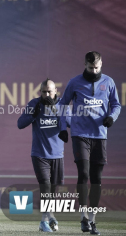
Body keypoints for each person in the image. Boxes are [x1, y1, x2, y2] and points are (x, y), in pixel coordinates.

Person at [59, 51, 121, 235]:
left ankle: (92, 221)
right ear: (84, 64)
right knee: (83, 174)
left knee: (97, 179)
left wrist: (112, 117)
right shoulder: (74, 82)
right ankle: (83, 217)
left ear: (101, 64)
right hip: (80, 134)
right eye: (90, 67)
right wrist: (64, 127)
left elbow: (116, 105)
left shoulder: (108, 82)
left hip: (100, 135)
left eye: (96, 67)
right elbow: (63, 104)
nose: (93, 71)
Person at [18, 78, 71, 232]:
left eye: (50, 91)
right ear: (40, 92)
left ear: (55, 91)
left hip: (57, 154)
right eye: (44, 92)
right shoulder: (34, 104)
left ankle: (50, 216)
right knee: (45, 186)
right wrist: (32, 115)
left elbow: (71, 122)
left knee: (54, 189)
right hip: (39, 154)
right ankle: (43, 221)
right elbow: (20, 123)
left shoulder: (62, 104)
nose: (47, 94)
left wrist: (55, 110)